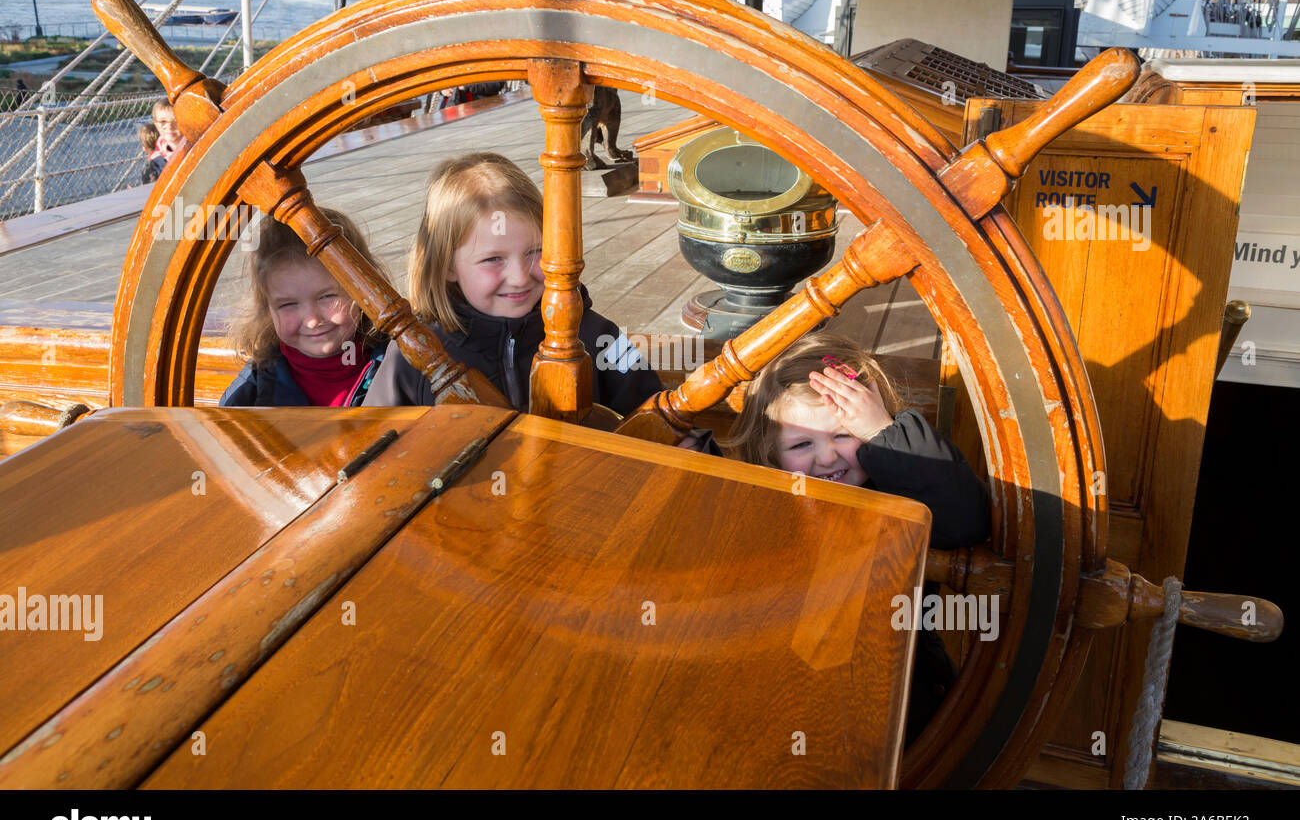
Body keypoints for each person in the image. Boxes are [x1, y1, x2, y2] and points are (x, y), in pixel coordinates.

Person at [723, 331, 991, 744]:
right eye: (801, 443)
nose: (827, 457)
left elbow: (966, 520)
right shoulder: (761, 503)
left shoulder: (900, 486)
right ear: (769, 451)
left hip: (898, 690)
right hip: (785, 694)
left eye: (844, 435)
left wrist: (886, 435)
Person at [363, 152, 666, 417]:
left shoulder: (599, 335)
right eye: (493, 259)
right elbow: (373, 448)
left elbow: (660, 420)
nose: (520, 277)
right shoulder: (413, 354)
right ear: (446, 267)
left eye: (536, 252)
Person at [220, 209, 388, 407]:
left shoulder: (397, 367)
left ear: (363, 291)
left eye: (327, 296)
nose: (312, 320)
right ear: (267, 310)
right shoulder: (253, 389)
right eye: (288, 304)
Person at [141, 99, 187, 185]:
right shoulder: (155, 162)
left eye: (175, 121)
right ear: (156, 124)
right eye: (163, 121)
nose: (169, 126)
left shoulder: (196, 150)